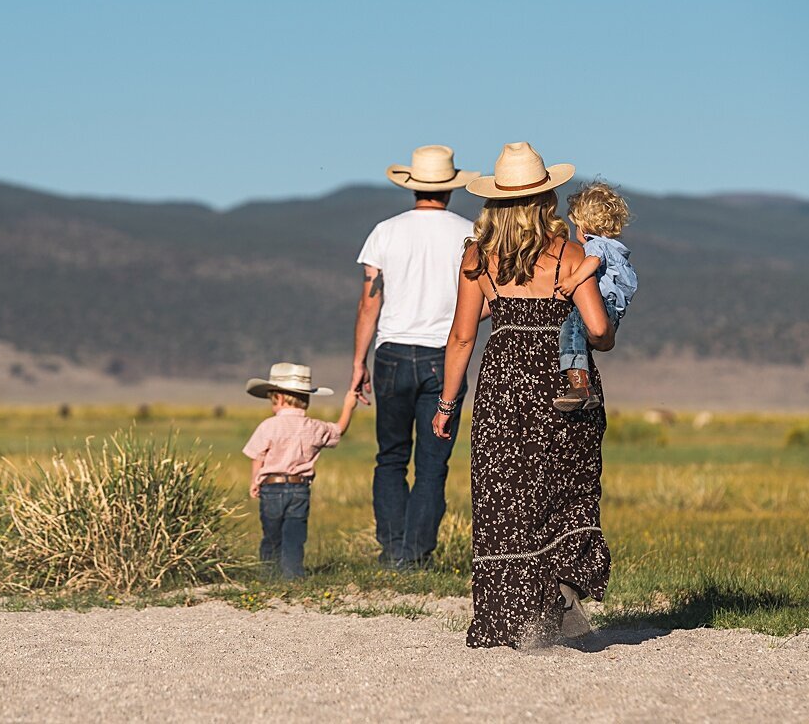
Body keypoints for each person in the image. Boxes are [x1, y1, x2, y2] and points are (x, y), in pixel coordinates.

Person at [432, 141, 616, 648]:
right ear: (544, 200)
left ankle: (508, 621)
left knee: (505, 501)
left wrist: (447, 404)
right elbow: (599, 332)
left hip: (504, 387)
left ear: (494, 204)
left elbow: (463, 338)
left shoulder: (477, 258)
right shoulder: (570, 254)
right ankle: (560, 589)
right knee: (566, 492)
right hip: (562, 386)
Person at [351, 145, 479, 568]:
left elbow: (370, 302)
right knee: (432, 463)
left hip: (389, 354)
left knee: (390, 456)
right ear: (450, 188)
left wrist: (358, 362)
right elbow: (488, 299)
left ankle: (392, 551)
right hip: (444, 356)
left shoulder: (385, 232)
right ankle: (415, 554)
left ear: (412, 187)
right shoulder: (472, 233)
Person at [242, 362, 354, 578]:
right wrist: (348, 406)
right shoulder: (314, 427)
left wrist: (255, 481)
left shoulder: (268, 426)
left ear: (280, 399)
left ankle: (270, 575)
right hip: (300, 488)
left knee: (271, 535)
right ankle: (293, 575)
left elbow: (258, 456)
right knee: (294, 535)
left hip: (271, 488)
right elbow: (339, 429)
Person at [553, 181, 637, 411]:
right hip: (613, 311)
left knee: (570, 329)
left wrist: (573, 280)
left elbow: (592, 261)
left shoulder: (595, 246)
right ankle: (586, 390)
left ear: (585, 225)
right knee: (582, 335)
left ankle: (579, 385)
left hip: (602, 305)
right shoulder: (616, 248)